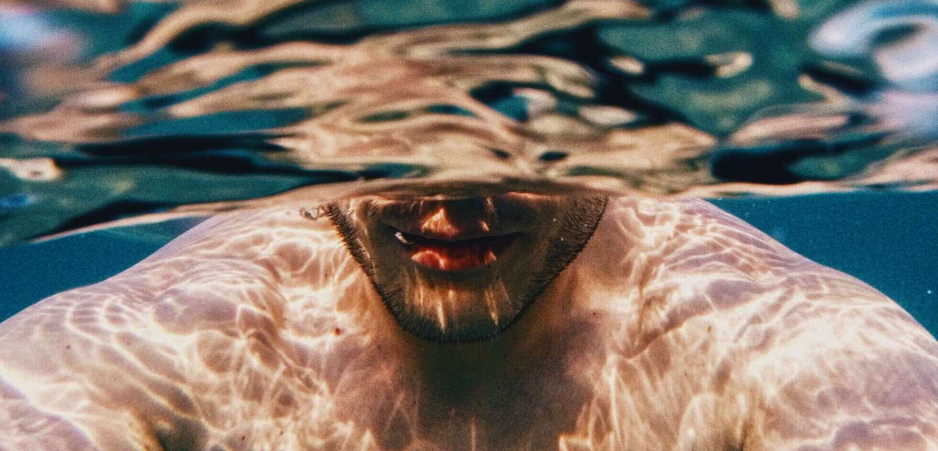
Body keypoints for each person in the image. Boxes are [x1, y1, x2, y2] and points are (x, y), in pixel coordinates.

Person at [1, 187, 936, 450]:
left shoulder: (753, 327)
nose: (452, 211)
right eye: (397, 155)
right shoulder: (184, 333)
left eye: (518, 153)